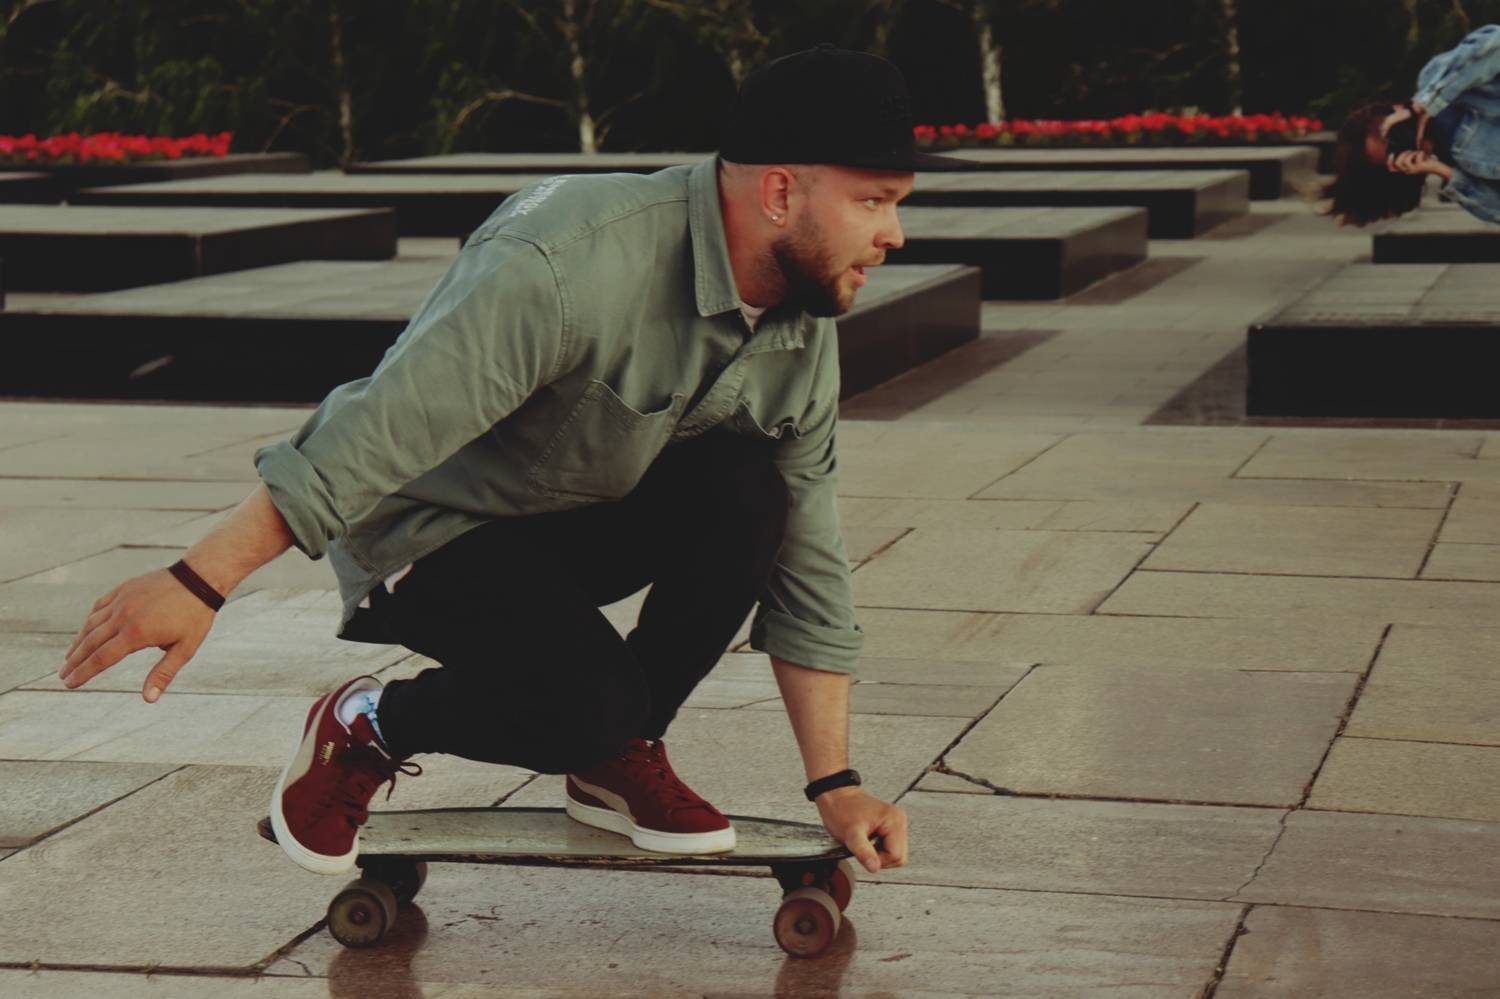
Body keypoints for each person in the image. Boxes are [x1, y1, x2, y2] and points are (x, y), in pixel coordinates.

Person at [57, 45, 964, 879]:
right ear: (779, 193)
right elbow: (383, 427)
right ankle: (371, 722)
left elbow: (807, 558)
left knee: (751, 493)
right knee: (588, 706)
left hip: (565, 515)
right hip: (430, 529)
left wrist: (835, 783)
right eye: (873, 202)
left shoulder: (799, 327)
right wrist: (200, 578)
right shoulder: (570, 260)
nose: (894, 234)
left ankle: (614, 756)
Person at [1323, 24, 1500, 226]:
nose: (1403, 148)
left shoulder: (1435, 82)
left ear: (1397, 110)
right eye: (1392, 154)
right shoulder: (1462, 175)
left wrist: (1426, 104)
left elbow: (1496, 41)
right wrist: (1445, 172)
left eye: (1390, 137)